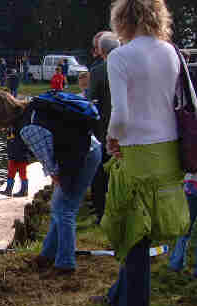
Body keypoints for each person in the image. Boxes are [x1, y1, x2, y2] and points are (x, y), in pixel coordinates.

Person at [95, 0, 189, 306]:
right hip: (168, 150)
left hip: (136, 150)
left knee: (133, 231)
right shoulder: (171, 52)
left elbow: (120, 114)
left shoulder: (120, 55)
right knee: (143, 231)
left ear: (121, 19)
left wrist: (111, 139)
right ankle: (116, 296)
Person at [0, 91, 101, 276]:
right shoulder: (30, 109)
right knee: (59, 207)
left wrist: (57, 179)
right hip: (88, 149)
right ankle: (48, 254)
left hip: (84, 157)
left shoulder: (27, 128)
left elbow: (49, 163)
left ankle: (65, 265)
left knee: (64, 211)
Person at [88, 32, 120, 224]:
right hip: (131, 131)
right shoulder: (131, 66)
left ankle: (101, 215)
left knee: (100, 175)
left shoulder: (99, 71)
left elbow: (91, 103)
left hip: (105, 130)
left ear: (101, 51)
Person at [168, 172, 197, 278]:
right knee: (185, 228)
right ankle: (176, 263)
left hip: (191, 186)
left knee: (185, 228)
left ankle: (176, 263)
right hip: (191, 186)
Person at [0, 124, 32, 197]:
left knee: (22, 173)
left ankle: (24, 191)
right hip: (12, 156)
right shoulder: (10, 132)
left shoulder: (20, 130)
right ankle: (8, 190)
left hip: (21, 156)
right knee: (11, 173)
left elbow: (26, 145)